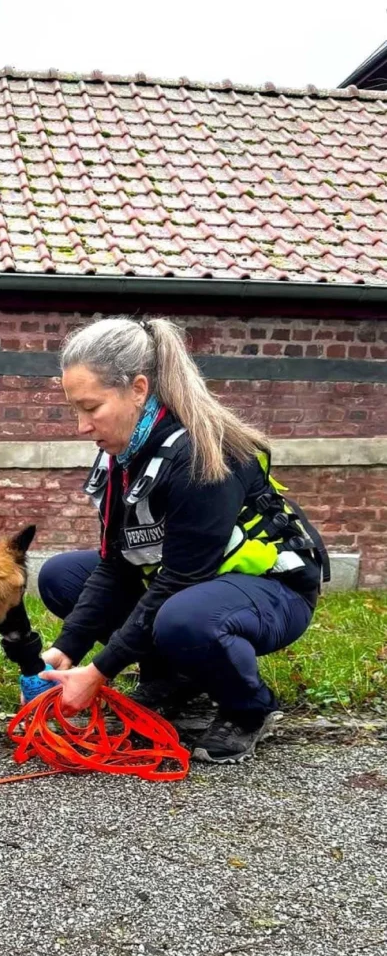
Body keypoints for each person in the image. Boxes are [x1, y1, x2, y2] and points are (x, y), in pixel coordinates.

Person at [36, 317, 328, 764]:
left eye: (91, 407)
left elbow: (179, 580)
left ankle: (249, 708)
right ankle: (174, 678)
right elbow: (116, 564)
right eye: (75, 409)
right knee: (61, 576)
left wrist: (98, 672)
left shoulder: (200, 455)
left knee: (183, 619)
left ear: (138, 389)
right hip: (194, 586)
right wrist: (67, 647)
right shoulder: (125, 453)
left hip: (274, 591)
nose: (81, 426)